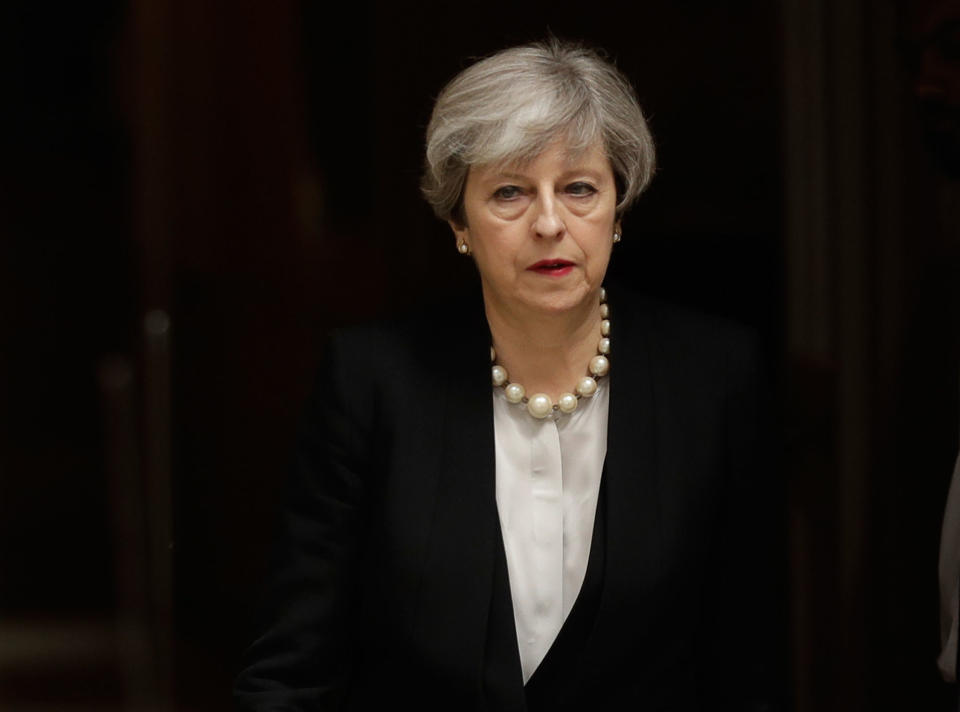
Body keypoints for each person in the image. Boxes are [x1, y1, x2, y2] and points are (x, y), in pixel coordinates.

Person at [234, 39, 786, 710]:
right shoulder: (372, 383)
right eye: (510, 193)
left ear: (619, 208)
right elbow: (291, 673)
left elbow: (748, 668)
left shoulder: (715, 379)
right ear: (458, 220)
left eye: (580, 187)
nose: (550, 223)